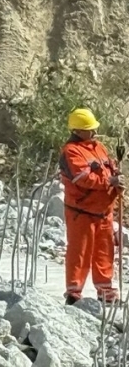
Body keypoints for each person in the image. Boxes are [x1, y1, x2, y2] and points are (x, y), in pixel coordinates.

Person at [59, 107, 123, 306]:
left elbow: (109, 169)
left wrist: (117, 181)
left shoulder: (98, 147)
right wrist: (108, 182)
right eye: (89, 129)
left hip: (104, 212)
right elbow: (81, 178)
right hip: (82, 213)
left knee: (105, 253)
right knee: (79, 252)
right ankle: (74, 294)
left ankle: (106, 292)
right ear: (77, 131)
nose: (94, 132)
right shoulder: (71, 152)